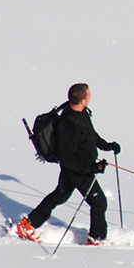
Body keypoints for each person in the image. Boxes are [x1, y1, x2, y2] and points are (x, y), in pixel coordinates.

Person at [17, 83, 121, 245]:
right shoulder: (68, 124)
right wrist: (92, 168)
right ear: (83, 100)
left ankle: (28, 224)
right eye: (89, 94)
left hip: (81, 166)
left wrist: (107, 145)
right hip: (77, 169)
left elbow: (90, 135)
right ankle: (96, 238)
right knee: (99, 202)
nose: (90, 96)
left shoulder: (82, 113)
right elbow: (66, 158)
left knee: (60, 194)